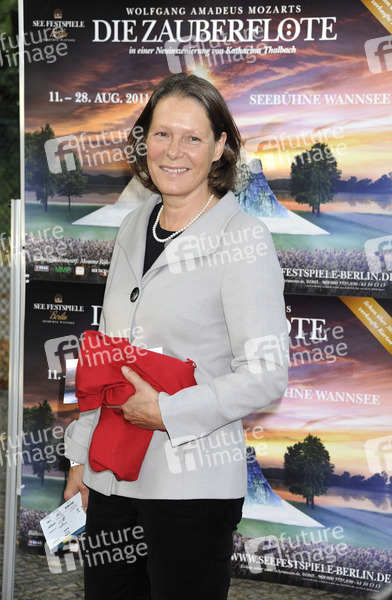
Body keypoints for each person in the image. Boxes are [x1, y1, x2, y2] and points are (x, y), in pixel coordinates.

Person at [64, 72, 288, 600]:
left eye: (192, 137)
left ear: (220, 147)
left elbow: (266, 373)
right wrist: (80, 458)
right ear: (144, 140)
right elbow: (108, 359)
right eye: (162, 133)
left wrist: (168, 411)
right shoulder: (132, 225)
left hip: (191, 493)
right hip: (111, 478)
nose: (174, 151)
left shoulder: (244, 238)